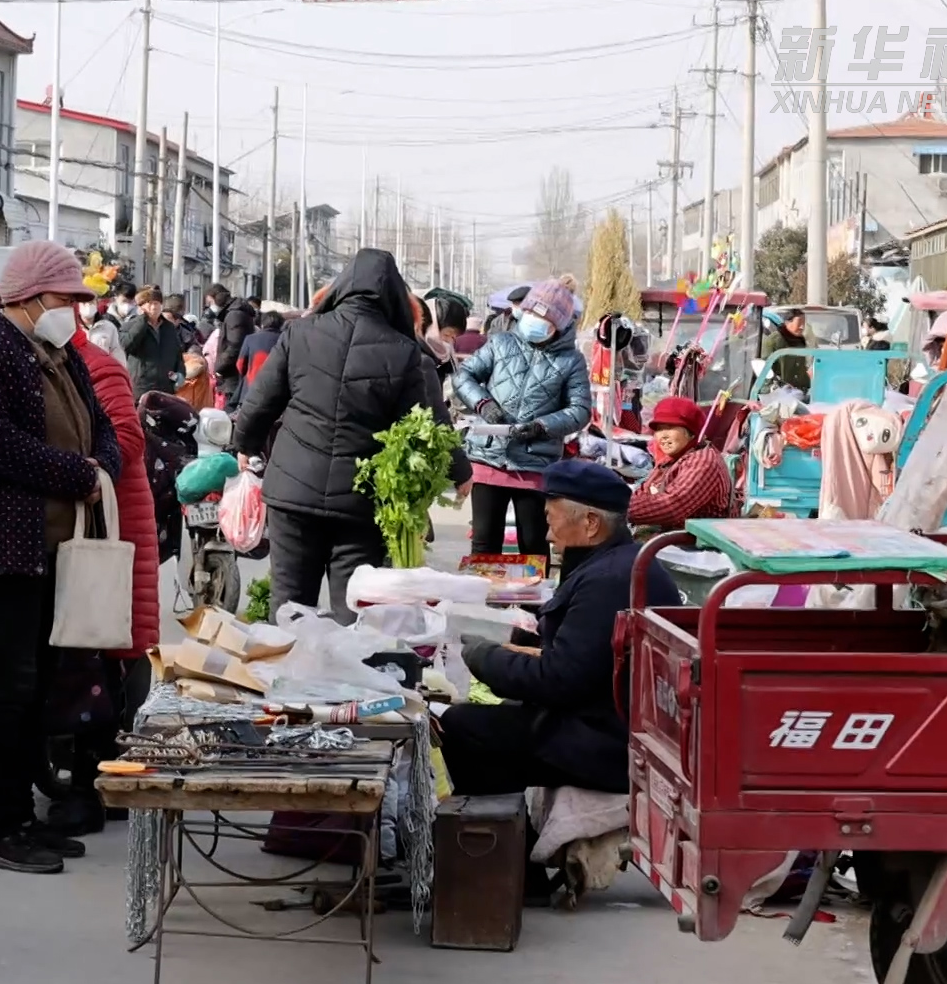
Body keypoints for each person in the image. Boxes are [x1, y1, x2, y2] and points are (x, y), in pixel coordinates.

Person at [0, 241, 122, 874]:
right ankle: (0, 828)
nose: (76, 311)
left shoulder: (58, 353)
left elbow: (102, 427)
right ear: (32, 296)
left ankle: (23, 819)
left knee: (34, 685)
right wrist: (78, 473)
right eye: (68, 299)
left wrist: (101, 464)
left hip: (48, 551)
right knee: (3, 690)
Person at [233, 249, 470, 623]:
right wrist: (454, 473)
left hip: (293, 494)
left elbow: (260, 403)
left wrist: (244, 445)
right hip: (359, 502)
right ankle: (344, 678)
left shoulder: (300, 333)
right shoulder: (403, 351)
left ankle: (287, 678)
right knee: (353, 612)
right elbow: (420, 424)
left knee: (289, 607)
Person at [441, 460, 681, 799]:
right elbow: (581, 654)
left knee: (459, 723)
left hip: (605, 743)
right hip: (601, 719)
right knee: (498, 713)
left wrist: (483, 657)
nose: (548, 535)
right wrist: (517, 645)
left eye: (551, 521)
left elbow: (558, 680)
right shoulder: (613, 563)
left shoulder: (609, 580)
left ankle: (499, 840)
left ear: (591, 523)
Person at [52, 313, 160, 837]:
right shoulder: (48, 365)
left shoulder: (97, 367)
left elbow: (126, 441)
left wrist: (70, 468)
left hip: (112, 528)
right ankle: (96, 780)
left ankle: (101, 784)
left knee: (110, 654)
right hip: (86, 525)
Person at [454, 275, 591, 561]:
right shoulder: (500, 343)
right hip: (488, 456)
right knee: (484, 541)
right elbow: (464, 376)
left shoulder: (571, 361)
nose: (531, 320)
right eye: (529, 313)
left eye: (541, 317)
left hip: (534, 465)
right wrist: (483, 403)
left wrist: (541, 426)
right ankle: (482, 603)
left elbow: (580, 410)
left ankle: (533, 605)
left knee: (533, 544)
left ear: (560, 324)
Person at [628, 396, 734, 531]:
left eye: (670, 427)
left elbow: (672, 506)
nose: (663, 436)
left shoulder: (703, 460)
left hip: (698, 546)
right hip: (672, 540)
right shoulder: (671, 460)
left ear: (691, 432)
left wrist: (617, 506)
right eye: (659, 429)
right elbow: (642, 493)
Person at [122, 286, 185, 397]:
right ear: (141, 306)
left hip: (166, 388)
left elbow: (177, 354)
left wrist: (180, 374)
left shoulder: (169, 327)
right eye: (149, 303)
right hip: (141, 388)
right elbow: (125, 346)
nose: (154, 307)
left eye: (157, 303)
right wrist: (142, 322)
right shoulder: (130, 326)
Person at [211, 292, 258, 409]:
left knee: (230, 412)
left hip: (233, 376)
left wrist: (219, 367)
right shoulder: (237, 313)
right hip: (235, 374)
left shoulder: (234, 315)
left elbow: (234, 346)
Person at [761, 308, 811, 392]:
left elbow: (801, 368)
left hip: (799, 391)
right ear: (787, 322)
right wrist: (770, 389)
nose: (802, 327)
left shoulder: (800, 342)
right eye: (799, 323)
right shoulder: (774, 341)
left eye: (803, 323)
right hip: (780, 392)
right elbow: (766, 369)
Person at [237, 308, 286, 390]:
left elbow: (240, 364)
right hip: (277, 388)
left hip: (251, 386)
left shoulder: (250, 338)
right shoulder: (284, 339)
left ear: (262, 324)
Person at [79, 296, 125, 363]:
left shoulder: (108, 327)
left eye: (91, 302)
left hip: (104, 369)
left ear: (96, 303)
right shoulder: (73, 328)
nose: (88, 305)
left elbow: (117, 352)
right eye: (84, 302)